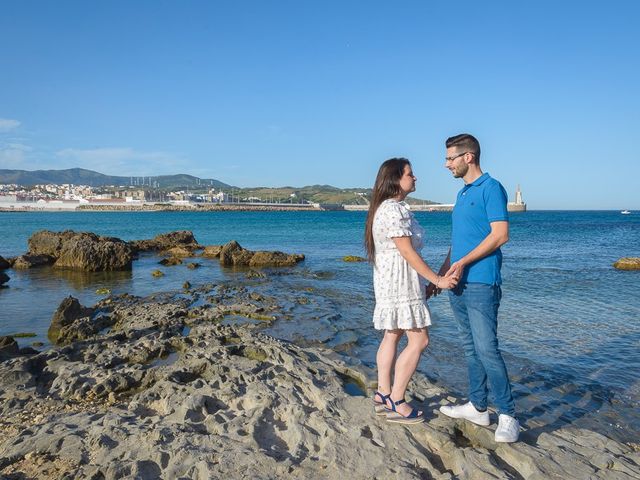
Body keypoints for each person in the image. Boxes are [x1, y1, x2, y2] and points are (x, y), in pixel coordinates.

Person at [429, 133, 520, 443]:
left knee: (487, 349)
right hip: (457, 282)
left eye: (449, 158)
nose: (446, 164)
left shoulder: (491, 188)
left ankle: (508, 415)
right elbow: (458, 243)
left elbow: (500, 235)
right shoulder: (464, 193)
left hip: (482, 281)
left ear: (468, 157)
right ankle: (479, 407)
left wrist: (464, 262)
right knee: (470, 348)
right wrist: (439, 276)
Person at [365, 158, 457, 424]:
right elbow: (406, 251)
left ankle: (383, 393)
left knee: (391, 335)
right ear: (396, 179)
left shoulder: (386, 208)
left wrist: (426, 282)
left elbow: (403, 252)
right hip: (399, 283)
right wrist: (437, 280)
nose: (415, 178)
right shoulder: (393, 210)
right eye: (410, 174)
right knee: (419, 340)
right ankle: (397, 399)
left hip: (391, 281)